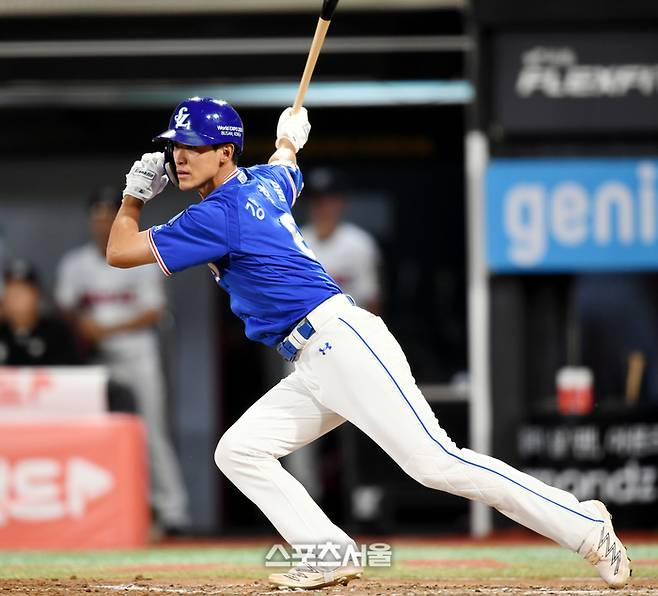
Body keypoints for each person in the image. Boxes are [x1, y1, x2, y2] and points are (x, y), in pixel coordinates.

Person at [105, 97, 630, 589]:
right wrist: (290, 140)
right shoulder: (264, 182)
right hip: (313, 358)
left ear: (224, 153)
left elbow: (120, 251)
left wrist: (133, 196)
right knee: (240, 451)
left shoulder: (216, 214)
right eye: (176, 145)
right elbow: (285, 168)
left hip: (340, 342)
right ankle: (327, 550)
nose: (178, 157)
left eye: (193, 146)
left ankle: (583, 523)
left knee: (438, 464)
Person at [55, 188, 189, 534]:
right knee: (97, 433)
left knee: (151, 431)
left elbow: (154, 310)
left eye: (107, 215)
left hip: (137, 352)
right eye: (96, 216)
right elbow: (65, 306)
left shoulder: (140, 254)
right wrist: (83, 325)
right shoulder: (75, 263)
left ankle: (172, 512)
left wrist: (107, 328)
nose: (101, 223)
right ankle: (115, 511)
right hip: (97, 358)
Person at [301, 168, 381, 314]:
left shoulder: (360, 243)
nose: (323, 208)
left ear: (342, 203)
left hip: (350, 328)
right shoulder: (295, 241)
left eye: (330, 201)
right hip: (305, 331)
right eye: (317, 201)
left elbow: (371, 299)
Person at [0, 259, 80, 366]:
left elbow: (73, 373)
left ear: (37, 295)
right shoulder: (2, 331)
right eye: (11, 289)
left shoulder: (56, 333)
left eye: (23, 290)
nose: (15, 297)